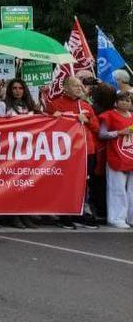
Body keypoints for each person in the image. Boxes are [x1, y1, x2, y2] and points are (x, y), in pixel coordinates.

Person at [46, 76, 101, 229]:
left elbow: (97, 128)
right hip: (66, 151)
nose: (79, 88)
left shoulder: (85, 106)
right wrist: (54, 119)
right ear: (66, 88)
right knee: (66, 181)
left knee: (84, 183)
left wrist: (87, 120)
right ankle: (64, 213)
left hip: (87, 150)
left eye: (80, 85)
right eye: (75, 85)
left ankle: (80, 212)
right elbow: (45, 128)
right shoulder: (54, 105)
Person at [99, 91, 133, 228]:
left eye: (128, 100)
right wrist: (119, 132)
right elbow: (102, 134)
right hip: (116, 156)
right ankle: (116, 218)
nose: (125, 103)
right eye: (122, 100)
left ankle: (130, 218)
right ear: (116, 102)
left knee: (132, 190)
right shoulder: (109, 115)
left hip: (130, 154)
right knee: (117, 188)